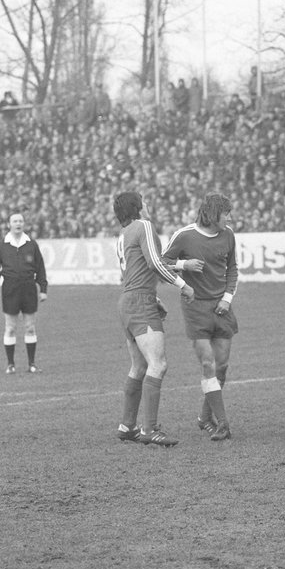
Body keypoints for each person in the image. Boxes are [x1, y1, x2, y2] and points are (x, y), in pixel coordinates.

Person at [113, 190, 194, 448]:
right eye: (144, 201)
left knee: (139, 366)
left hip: (128, 301)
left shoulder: (122, 236)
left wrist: (153, 293)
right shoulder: (144, 226)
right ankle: (149, 429)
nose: (147, 204)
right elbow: (155, 263)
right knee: (158, 365)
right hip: (139, 302)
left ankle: (128, 426)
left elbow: (135, 270)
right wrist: (182, 283)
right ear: (137, 207)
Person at [162, 192, 239, 442]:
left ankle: (205, 418)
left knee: (222, 366)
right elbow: (161, 263)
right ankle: (223, 423)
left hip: (222, 307)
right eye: (226, 213)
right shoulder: (184, 236)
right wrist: (184, 265)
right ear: (213, 214)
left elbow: (232, 269)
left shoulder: (228, 236)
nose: (229, 217)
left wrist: (227, 298)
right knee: (208, 364)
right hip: (195, 307)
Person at [0, 213, 48, 374]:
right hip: (10, 290)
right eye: (15, 221)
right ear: (9, 224)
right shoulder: (2, 245)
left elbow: (40, 268)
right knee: (10, 328)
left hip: (28, 290)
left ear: (24, 224)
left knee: (30, 327)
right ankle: (10, 364)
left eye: (20, 221)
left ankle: (32, 364)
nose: (18, 223)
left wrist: (43, 289)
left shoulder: (32, 244)